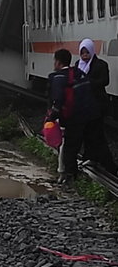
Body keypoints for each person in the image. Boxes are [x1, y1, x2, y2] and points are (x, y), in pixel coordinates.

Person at [47, 49, 118, 183]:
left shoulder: (57, 78)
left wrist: (51, 117)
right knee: (98, 142)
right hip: (92, 114)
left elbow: (57, 100)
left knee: (70, 147)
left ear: (57, 62)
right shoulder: (78, 72)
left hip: (75, 117)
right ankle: (112, 170)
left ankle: (70, 175)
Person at [75, 38, 117, 172]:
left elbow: (104, 81)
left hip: (97, 104)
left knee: (97, 134)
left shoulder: (101, 64)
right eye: (82, 52)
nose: (84, 55)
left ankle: (109, 165)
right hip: (84, 105)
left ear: (92, 51)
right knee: (87, 132)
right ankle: (91, 157)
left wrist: (88, 82)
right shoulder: (78, 64)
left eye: (87, 52)